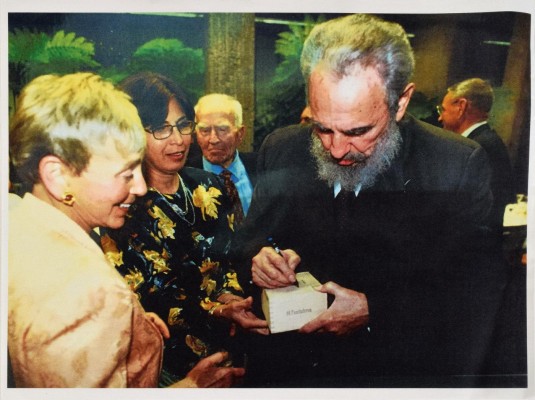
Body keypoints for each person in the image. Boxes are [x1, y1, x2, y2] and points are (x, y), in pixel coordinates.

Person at [233, 14, 510, 387]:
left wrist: (375, 310)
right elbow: (251, 238)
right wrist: (260, 258)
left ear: (401, 102)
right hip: (288, 372)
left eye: (358, 131)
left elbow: (474, 294)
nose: (335, 149)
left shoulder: (456, 165)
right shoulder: (282, 147)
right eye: (322, 127)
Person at [8, 72, 244, 388]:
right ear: (57, 175)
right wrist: (190, 388)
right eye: (125, 173)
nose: (141, 186)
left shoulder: (17, 225)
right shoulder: (92, 290)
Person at [99, 72, 268, 386]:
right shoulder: (122, 207)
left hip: (231, 350)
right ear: (132, 134)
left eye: (183, 125)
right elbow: (150, 300)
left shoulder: (211, 184)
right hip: (169, 370)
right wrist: (217, 311)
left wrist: (231, 296)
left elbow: (232, 258)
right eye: (160, 128)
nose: (177, 140)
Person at [438, 77, 515, 229]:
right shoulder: (486, 140)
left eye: (443, 110)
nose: (440, 117)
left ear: (461, 107)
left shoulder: (478, 146)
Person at [187, 93, 257, 220]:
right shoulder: (185, 179)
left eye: (222, 129)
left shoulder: (261, 166)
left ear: (240, 133)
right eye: (205, 130)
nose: (213, 139)